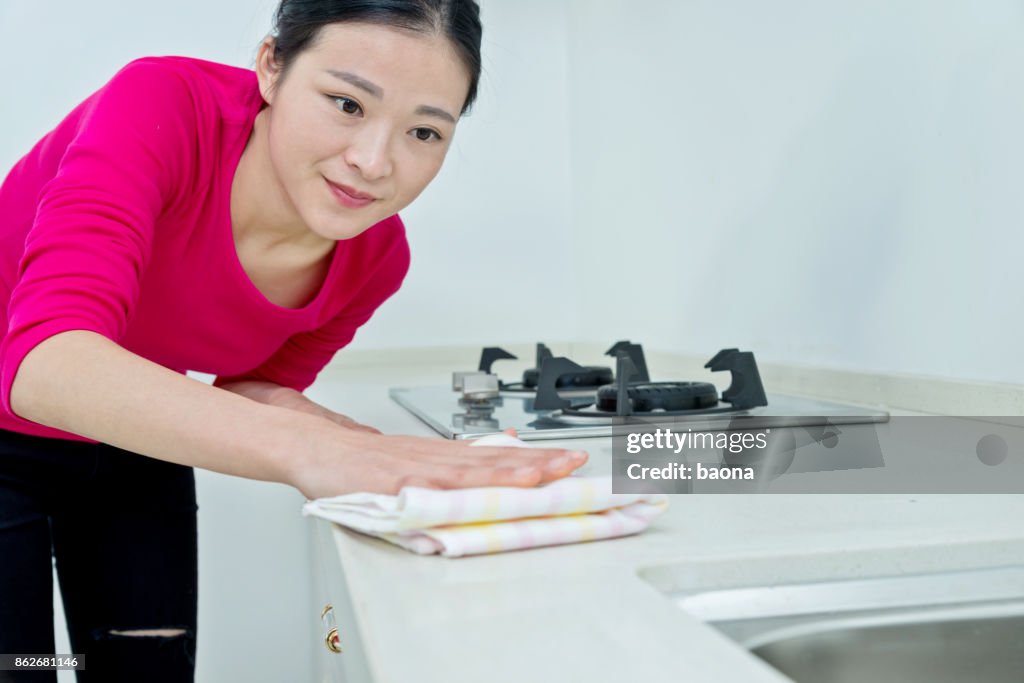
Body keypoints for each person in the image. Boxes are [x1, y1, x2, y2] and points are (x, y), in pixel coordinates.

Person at [0, 1, 588, 679]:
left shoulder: (375, 260)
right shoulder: (160, 105)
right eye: (346, 103)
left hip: (135, 433)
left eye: (424, 133)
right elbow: (47, 363)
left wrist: (371, 451)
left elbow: (254, 388)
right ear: (272, 66)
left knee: (142, 667)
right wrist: (315, 451)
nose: (373, 162)